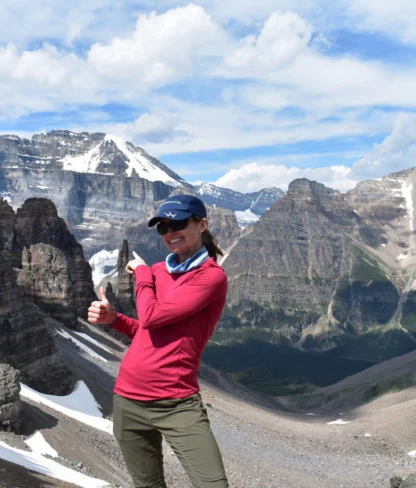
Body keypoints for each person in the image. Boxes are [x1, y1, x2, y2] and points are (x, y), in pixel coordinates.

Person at [88, 194, 229, 488]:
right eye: (163, 228)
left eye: (177, 223)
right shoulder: (157, 272)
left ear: (201, 224)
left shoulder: (210, 277)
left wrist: (141, 273)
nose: (169, 233)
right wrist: (114, 319)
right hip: (128, 399)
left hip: (177, 402)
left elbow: (151, 316)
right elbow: (150, 332)